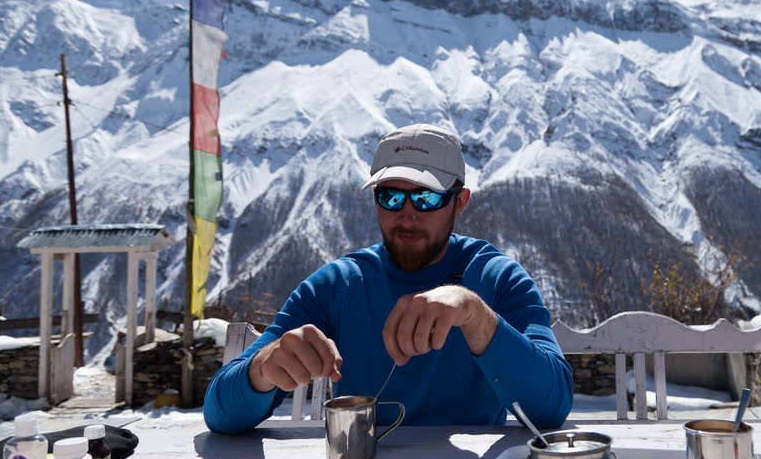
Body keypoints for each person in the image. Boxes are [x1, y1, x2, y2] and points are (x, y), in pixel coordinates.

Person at [204, 123, 574, 434]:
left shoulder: (497, 278)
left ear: (459, 202)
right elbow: (219, 413)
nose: (408, 214)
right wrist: (263, 368)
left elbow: (551, 407)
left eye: (427, 198)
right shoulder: (338, 285)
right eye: (391, 197)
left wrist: (475, 314)